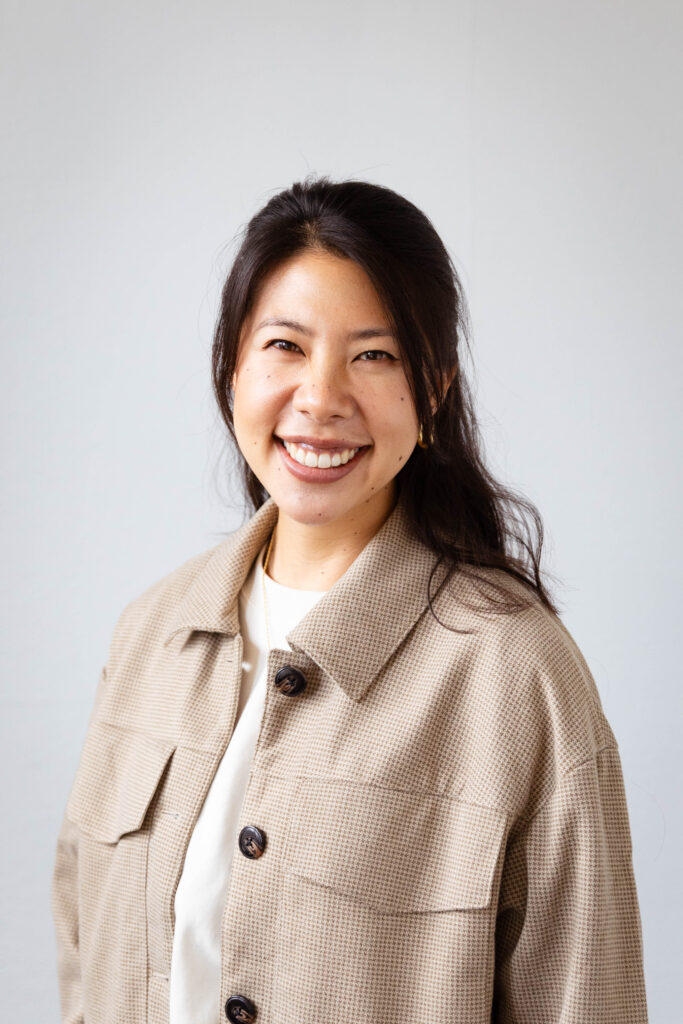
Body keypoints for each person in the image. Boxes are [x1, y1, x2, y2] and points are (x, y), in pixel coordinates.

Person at [51, 175, 649, 1024]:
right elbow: (84, 957)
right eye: (285, 347)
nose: (321, 399)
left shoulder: (516, 674)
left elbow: (587, 1000)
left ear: (434, 386)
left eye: (374, 355)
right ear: (231, 368)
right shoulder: (150, 633)